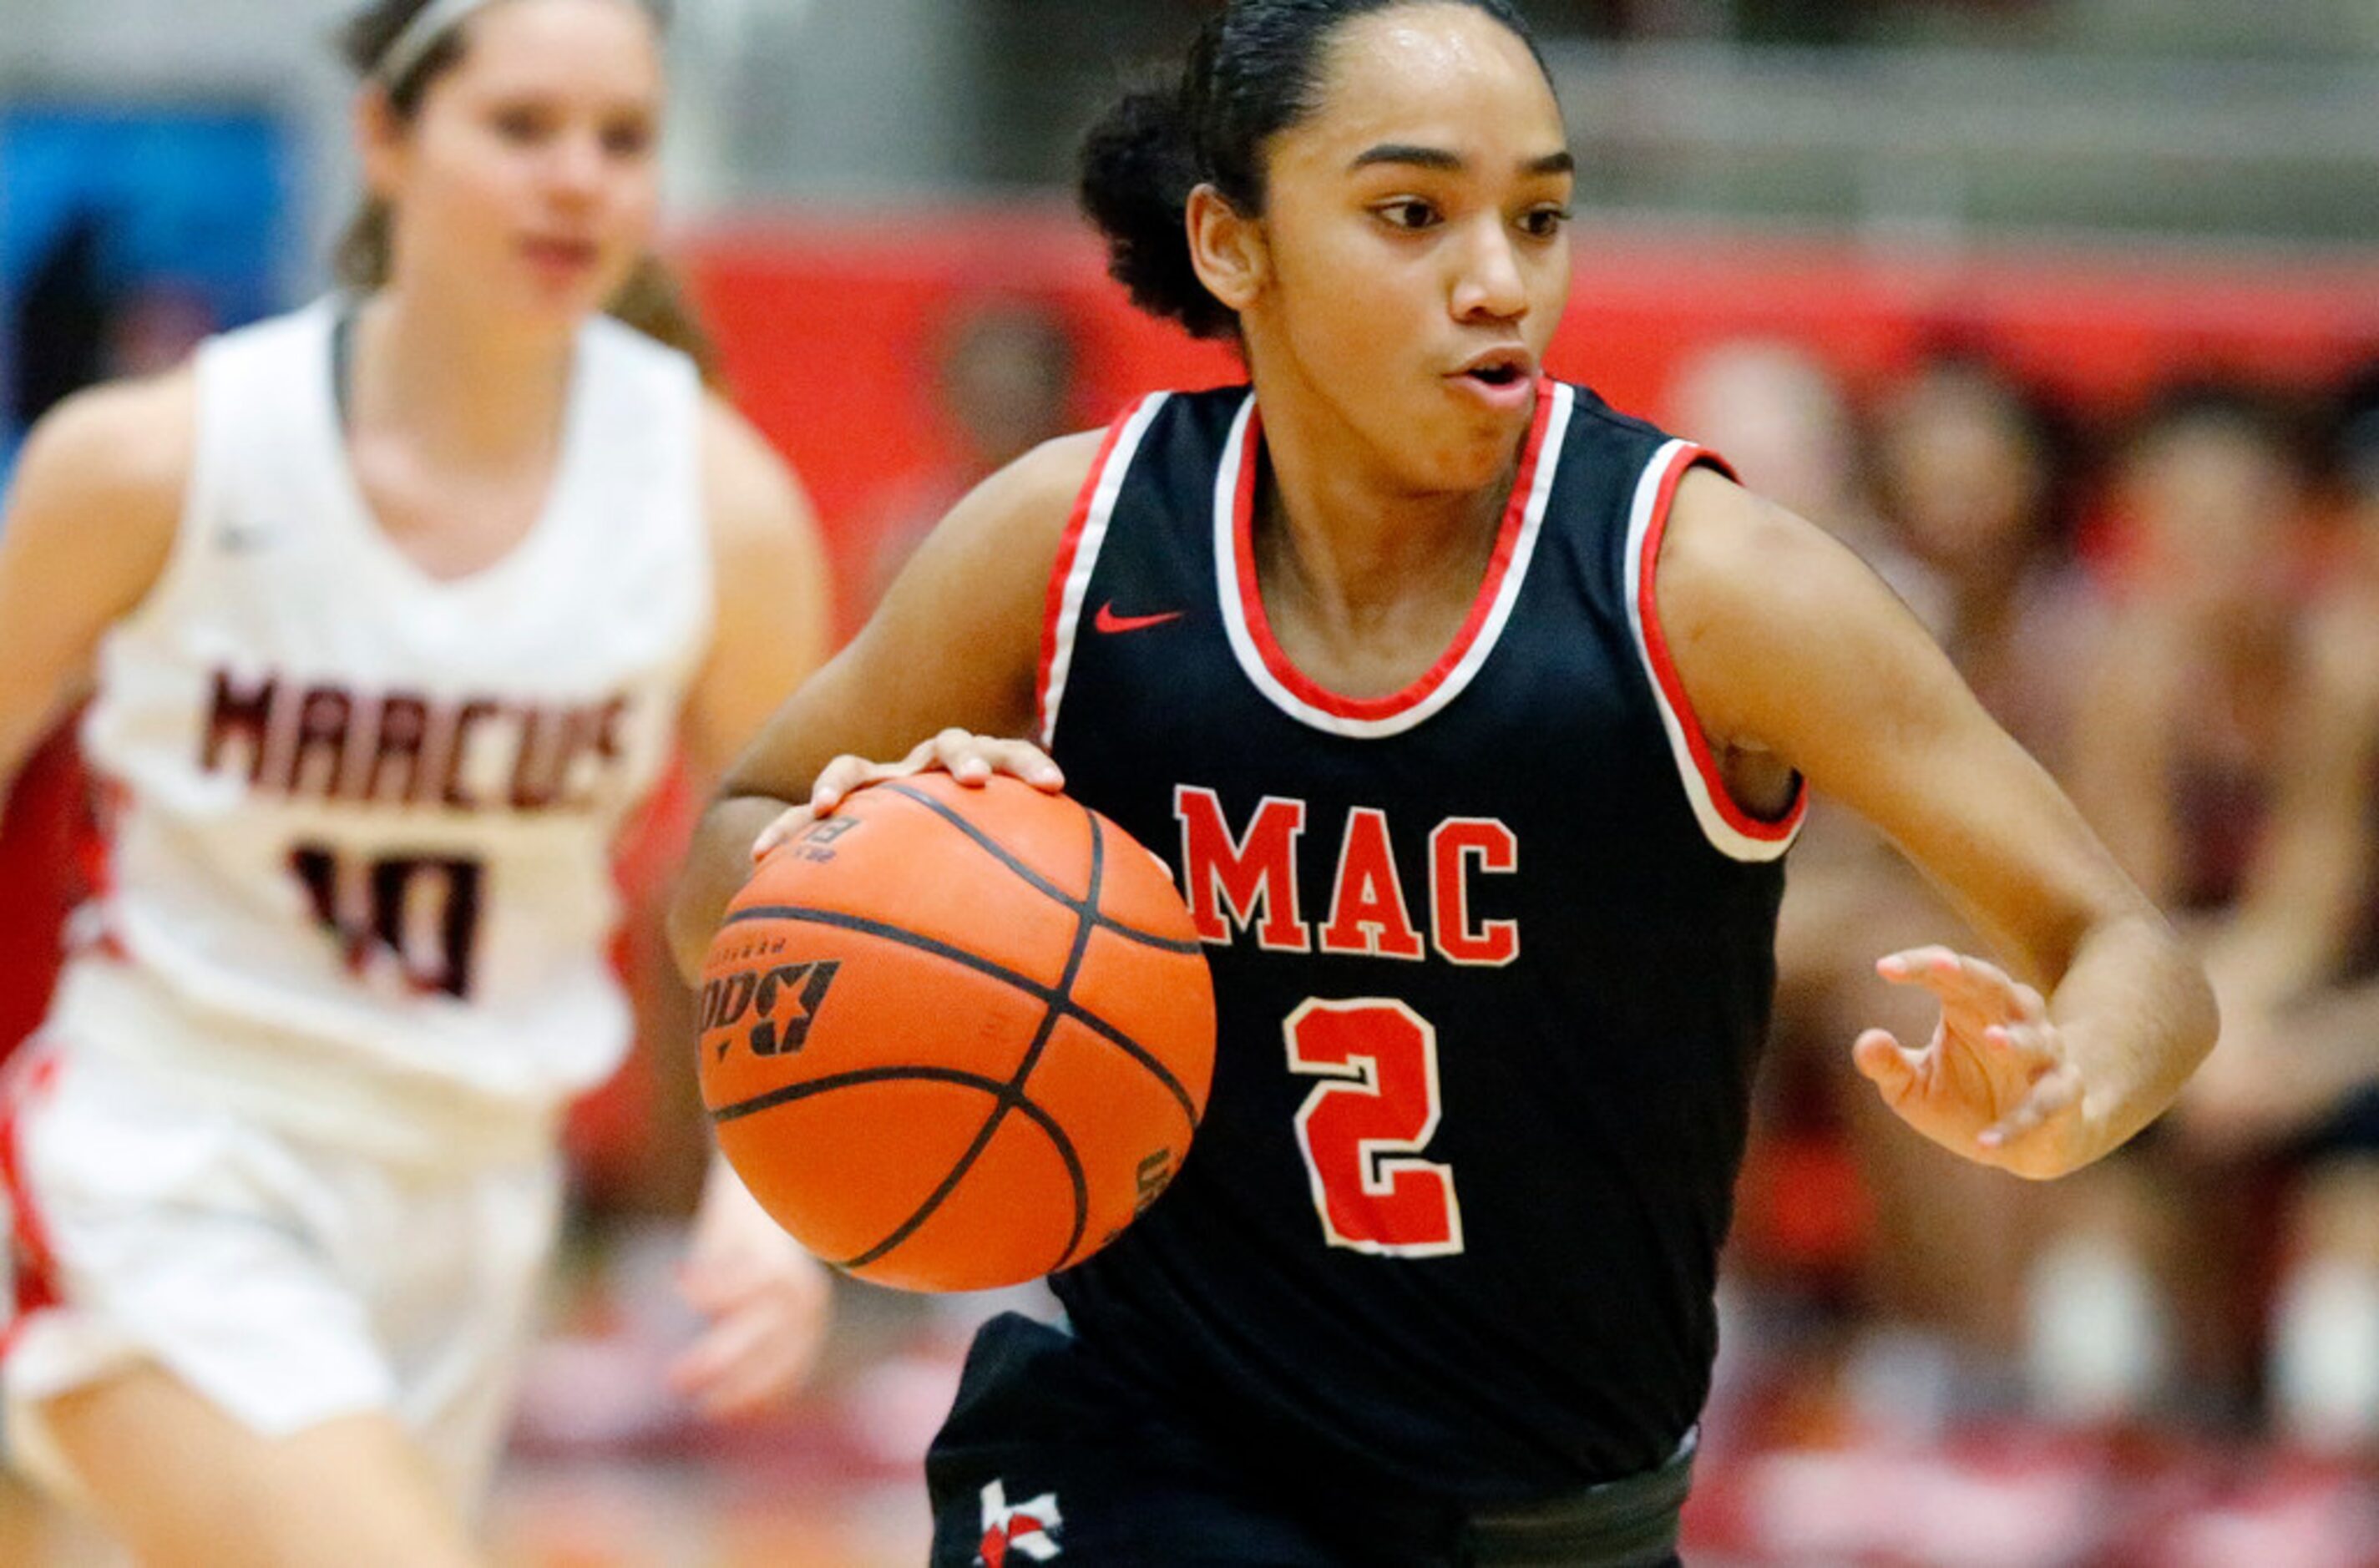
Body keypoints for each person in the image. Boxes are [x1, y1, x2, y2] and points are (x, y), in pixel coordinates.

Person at [671, 3, 2215, 1562]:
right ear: (1230, 242)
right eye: (1411, 214)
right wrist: (868, 865)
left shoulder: (1701, 585)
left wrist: (2064, 1088)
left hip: (1546, 1510)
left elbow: (2132, 955)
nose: (1498, 281)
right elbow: (721, 851)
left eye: (1539, 216)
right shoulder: (1066, 545)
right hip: (1140, 1458)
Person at [0, 2, 834, 1564]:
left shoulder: (720, 506)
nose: (577, 179)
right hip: (171, 1148)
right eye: (521, 128)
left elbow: (803, 887)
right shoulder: (155, 459)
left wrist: (769, 1195)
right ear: (386, 141)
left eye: (622, 139)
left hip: (473, 1190)